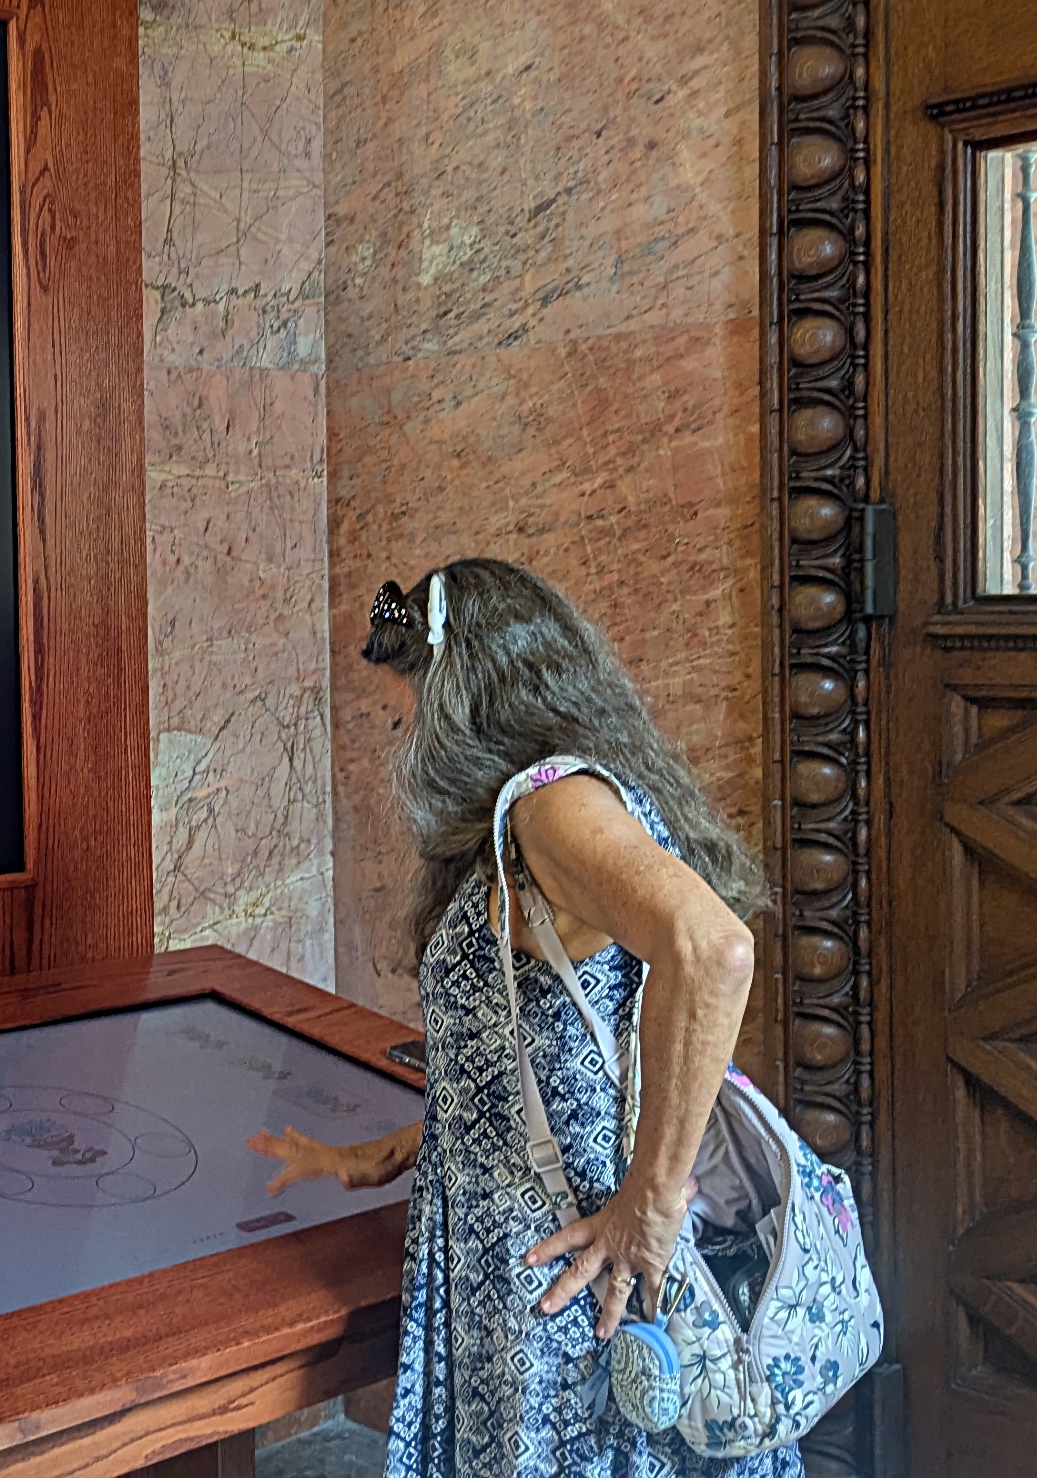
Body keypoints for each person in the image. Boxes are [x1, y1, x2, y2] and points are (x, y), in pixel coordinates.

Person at [248, 558, 799, 1478]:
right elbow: (546, 1054)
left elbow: (715, 950)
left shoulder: (549, 805)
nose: (406, 730)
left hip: (565, 1273)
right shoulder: (537, 813)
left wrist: (649, 1207)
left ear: (465, 695)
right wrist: (386, 1152)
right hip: (530, 1256)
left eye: (416, 699)